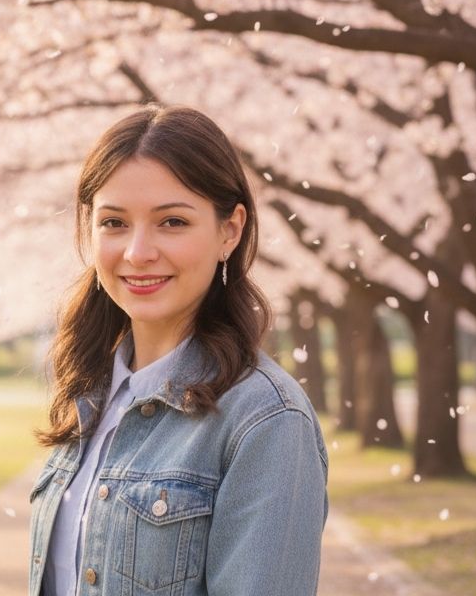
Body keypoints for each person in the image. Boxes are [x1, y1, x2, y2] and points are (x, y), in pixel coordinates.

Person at [29, 105, 329, 596]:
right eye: (114, 222)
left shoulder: (266, 419)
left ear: (230, 230)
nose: (138, 253)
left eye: (172, 221)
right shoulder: (91, 393)